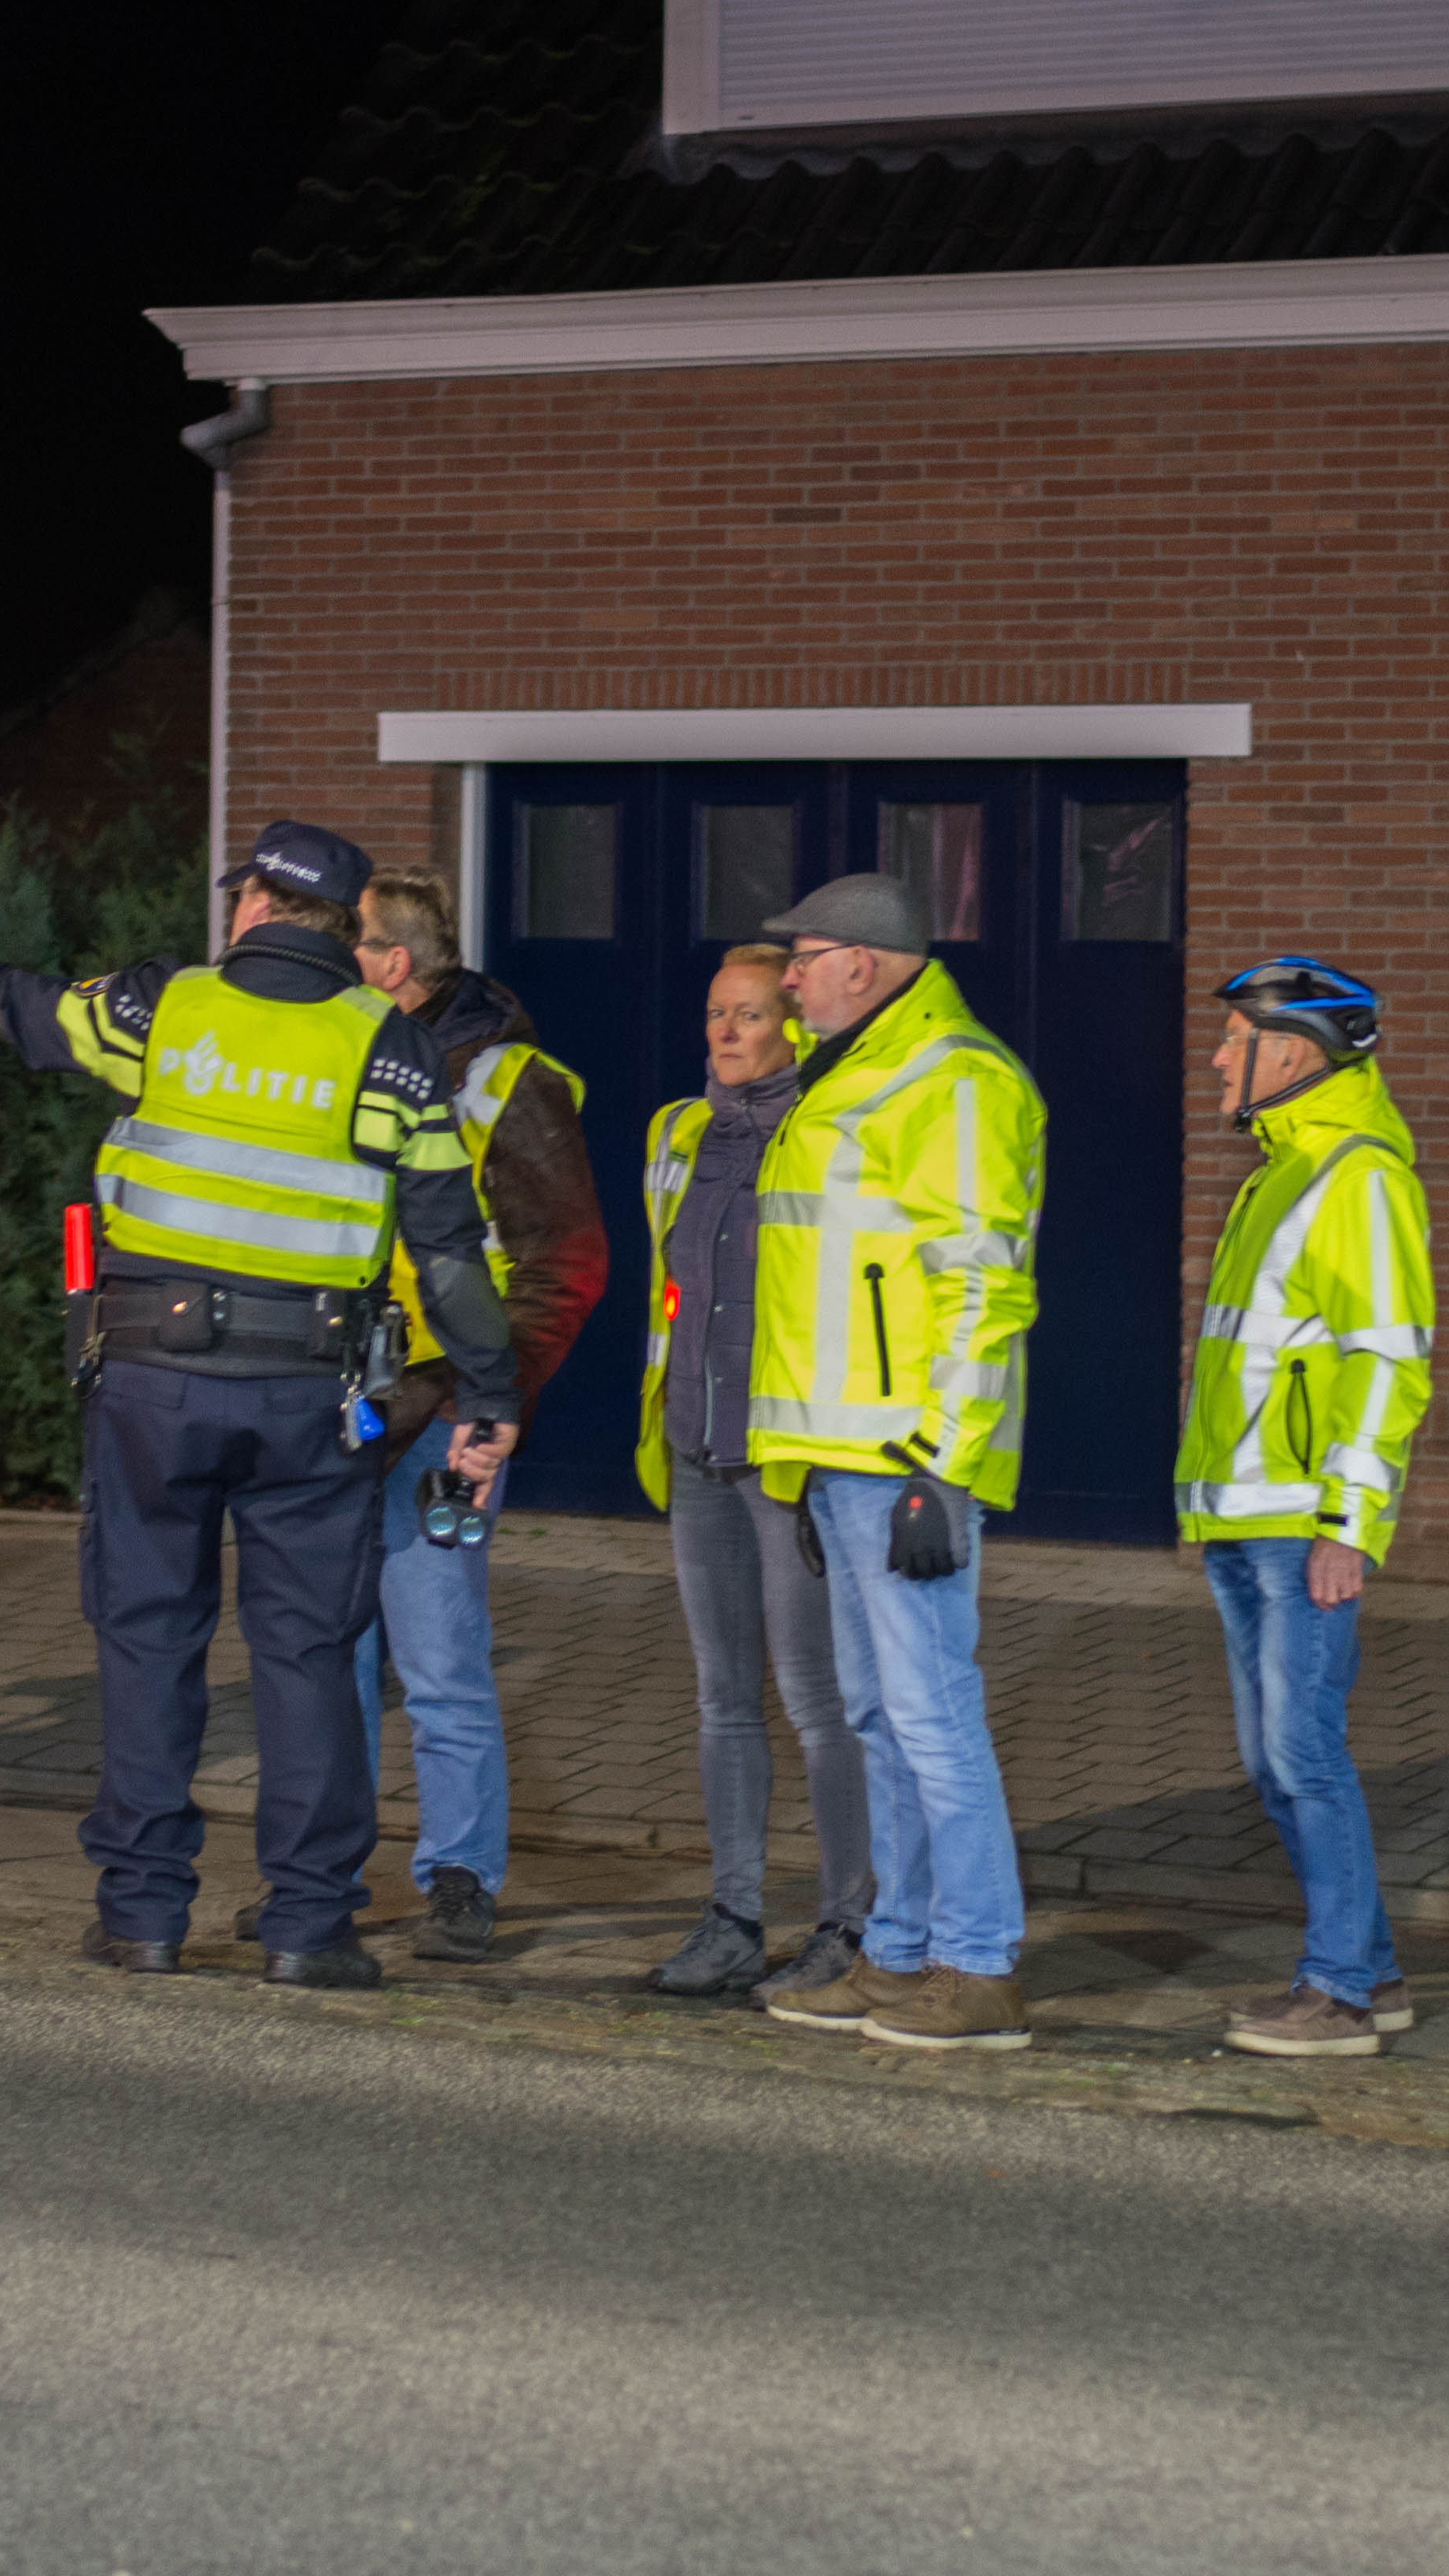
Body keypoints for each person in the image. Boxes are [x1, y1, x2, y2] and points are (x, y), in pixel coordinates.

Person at [0, 821, 523, 1988]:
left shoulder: (169, 1007)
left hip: (155, 1387)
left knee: (150, 1640)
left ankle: (145, 1912)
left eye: (239, 896)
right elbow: (449, 1249)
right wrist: (492, 1388)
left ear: (259, 905)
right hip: (314, 1396)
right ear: (344, 926)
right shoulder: (394, 1052)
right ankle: (311, 1925)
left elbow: (21, 1009)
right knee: (309, 1654)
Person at [737, 872, 1050, 2051]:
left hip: (901, 1458)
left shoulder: (954, 1078)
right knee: (879, 1713)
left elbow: (983, 1283)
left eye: (803, 959)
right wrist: (810, 1463)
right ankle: (904, 1950)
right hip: (845, 1456)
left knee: (931, 1712)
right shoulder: (863, 1074)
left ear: (863, 963)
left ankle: (979, 1962)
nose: (788, 980)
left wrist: (936, 1463)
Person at [343, 865, 607, 1962]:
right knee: (330, 1663)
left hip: (443, 1418)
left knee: (442, 1662)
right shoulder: (343, 1060)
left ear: (393, 968)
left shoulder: (505, 1081)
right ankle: (323, 1874)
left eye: (348, 946)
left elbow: (567, 1266)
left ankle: (461, 1879)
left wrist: (492, 1410)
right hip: (339, 1412)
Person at [1176, 957, 1439, 2057]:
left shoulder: (1358, 1177)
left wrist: (1350, 1523)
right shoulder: (1283, 1168)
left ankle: (1335, 1993)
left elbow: (1390, 1360)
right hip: (1243, 1517)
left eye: (1239, 1040)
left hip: (1298, 1526)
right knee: (1274, 1761)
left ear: (1294, 1055)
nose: (1220, 1057)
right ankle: (1368, 1974)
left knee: (1305, 1756)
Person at [630, 941, 871, 1999]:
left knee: (818, 1699)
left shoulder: (827, 1141)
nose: (725, 1033)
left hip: (787, 1459)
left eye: (749, 1015)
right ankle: (732, 1915)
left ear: (796, 1026)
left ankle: (850, 1925)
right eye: (716, 1013)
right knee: (722, 1697)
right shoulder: (679, 1134)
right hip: (694, 1444)